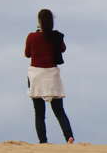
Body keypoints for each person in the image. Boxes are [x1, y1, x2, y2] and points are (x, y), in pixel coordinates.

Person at [24, 9, 75, 144]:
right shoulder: (56, 37)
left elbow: (27, 54)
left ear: (39, 22)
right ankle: (68, 136)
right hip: (51, 75)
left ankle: (43, 141)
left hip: (36, 75)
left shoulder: (32, 36)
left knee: (39, 113)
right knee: (59, 110)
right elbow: (63, 49)